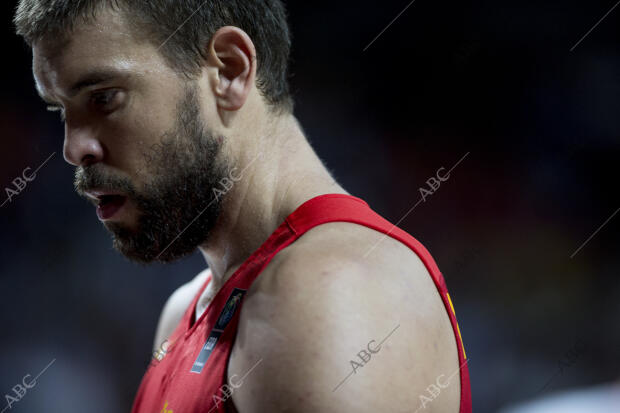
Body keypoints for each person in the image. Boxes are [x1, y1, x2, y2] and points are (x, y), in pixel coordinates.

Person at [14, 1, 471, 411]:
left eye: (103, 98)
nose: (74, 149)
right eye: (60, 111)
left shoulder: (328, 289)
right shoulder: (186, 309)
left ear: (229, 71)